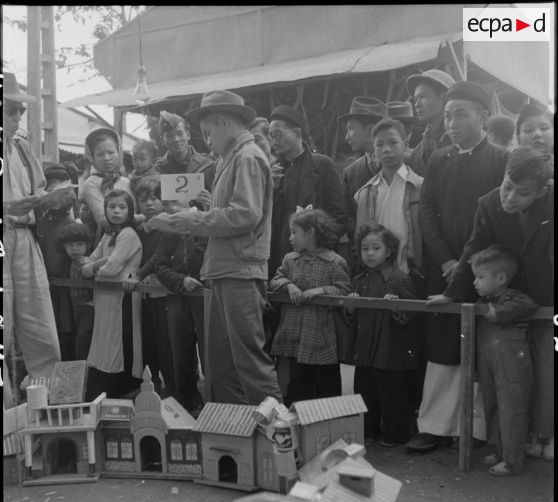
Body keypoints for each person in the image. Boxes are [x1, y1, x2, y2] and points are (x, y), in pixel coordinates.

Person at [431, 146, 554, 462]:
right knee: (517, 375)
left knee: (549, 367)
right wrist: (453, 292)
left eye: (523, 193)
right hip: (514, 299)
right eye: (507, 186)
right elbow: (475, 246)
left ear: (541, 192)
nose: (510, 197)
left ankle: (547, 435)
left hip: (551, 299)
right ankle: (521, 440)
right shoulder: (487, 204)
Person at [407, 81, 508, 453]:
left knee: (479, 344)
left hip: (484, 268)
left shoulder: (499, 159)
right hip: (443, 267)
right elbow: (427, 213)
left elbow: (493, 220)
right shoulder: (439, 158)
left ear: (482, 115)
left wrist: (465, 264)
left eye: (460, 115)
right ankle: (434, 426)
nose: (451, 123)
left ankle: (475, 430)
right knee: (441, 345)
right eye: (448, 116)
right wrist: (447, 259)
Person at [165, 90, 283, 405]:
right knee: (221, 363)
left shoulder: (247, 156)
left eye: (206, 133)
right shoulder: (231, 157)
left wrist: (196, 221)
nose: (206, 141)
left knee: (248, 362)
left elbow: (245, 214)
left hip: (240, 270)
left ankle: (280, 441)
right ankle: (238, 437)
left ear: (222, 122)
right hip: (223, 269)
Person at [3, 72, 61, 406]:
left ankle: (47, 402)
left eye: (19, 112)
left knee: (39, 321)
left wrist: (49, 198)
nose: (16, 117)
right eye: (10, 110)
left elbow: (40, 188)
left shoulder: (24, 148)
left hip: (24, 238)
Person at [268, 208, 351, 404]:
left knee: (326, 385)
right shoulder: (290, 260)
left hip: (320, 335)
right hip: (295, 334)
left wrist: (321, 290)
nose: (290, 238)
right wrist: (288, 285)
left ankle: (328, 425)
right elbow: (275, 280)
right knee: (297, 385)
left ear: (311, 233)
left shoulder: (334, 262)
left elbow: (344, 290)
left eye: (294, 232)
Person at [468, 246, 538, 476]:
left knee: (512, 408)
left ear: (500, 279)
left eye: (480, 277)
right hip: (489, 360)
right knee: (492, 404)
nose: (476, 282)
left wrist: (497, 313)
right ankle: (500, 451)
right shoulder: (482, 300)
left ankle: (513, 460)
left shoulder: (515, 298)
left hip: (512, 361)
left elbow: (529, 305)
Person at [348, 224, 418, 446]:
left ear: (388, 251)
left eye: (375, 248)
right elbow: (350, 319)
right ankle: (368, 432)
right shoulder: (360, 280)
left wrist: (397, 308)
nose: (369, 253)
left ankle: (395, 435)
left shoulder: (398, 279)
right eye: (365, 248)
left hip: (390, 347)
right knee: (364, 390)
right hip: (366, 348)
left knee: (391, 393)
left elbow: (412, 315)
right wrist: (349, 309)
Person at [268, 105, 347, 280]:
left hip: (316, 257)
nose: (273, 141)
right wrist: (270, 190)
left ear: (297, 133)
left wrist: (321, 248)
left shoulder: (322, 165)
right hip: (280, 257)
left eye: (278, 134)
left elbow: (338, 214)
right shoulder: (273, 171)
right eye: (271, 136)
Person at [516, 104, 554, 462]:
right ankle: (534, 430)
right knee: (531, 367)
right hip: (523, 291)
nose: (537, 134)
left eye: (544, 127)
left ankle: (549, 432)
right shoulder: (511, 182)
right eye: (529, 129)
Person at [82, 189, 143, 400]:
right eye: (111, 206)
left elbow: (113, 267)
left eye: (122, 207)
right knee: (103, 340)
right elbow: (90, 260)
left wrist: (93, 268)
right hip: (104, 296)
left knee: (119, 339)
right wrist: (94, 266)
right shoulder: (108, 234)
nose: (116, 211)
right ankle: (102, 386)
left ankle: (120, 387)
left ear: (130, 210)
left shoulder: (128, 234)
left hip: (121, 296)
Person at [154, 199, 207, 416]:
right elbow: (159, 265)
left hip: (204, 296)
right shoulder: (168, 234)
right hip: (177, 296)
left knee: (209, 351)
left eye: (178, 204)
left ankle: (214, 402)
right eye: (168, 207)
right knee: (180, 351)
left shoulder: (206, 229)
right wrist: (180, 280)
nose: (173, 210)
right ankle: (188, 403)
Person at [353, 117, 423, 276]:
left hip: (413, 271)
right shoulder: (365, 193)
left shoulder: (420, 187)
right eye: (379, 144)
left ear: (405, 145)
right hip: (377, 274)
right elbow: (361, 237)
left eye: (393, 142)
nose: (386, 149)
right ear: (374, 149)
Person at [123, 178, 174, 397]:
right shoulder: (140, 227)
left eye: (155, 198)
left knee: (167, 343)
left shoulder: (168, 224)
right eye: (144, 200)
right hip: (144, 292)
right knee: (149, 342)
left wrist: (138, 274)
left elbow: (157, 257)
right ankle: (152, 387)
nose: (150, 204)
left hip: (164, 291)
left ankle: (172, 388)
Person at [338, 97, 388, 272]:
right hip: (365, 262)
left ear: (370, 129)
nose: (347, 136)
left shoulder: (405, 163)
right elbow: (346, 215)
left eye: (351, 128)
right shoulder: (351, 172)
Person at [36, 164, 78, 361]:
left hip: (65, 292)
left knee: (66, 332)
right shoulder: (39, 224)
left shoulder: (72, 226)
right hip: (44, 288)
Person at [81, 128, 135, 235]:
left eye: (111, 152)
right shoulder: (91, 183)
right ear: (92, 157)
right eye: (100, 154)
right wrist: (142, 219)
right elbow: (104, 219)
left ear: (119, 152)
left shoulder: (127, 182)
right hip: (107, 239)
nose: (106, 158)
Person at [406, 69, 455, 176]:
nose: (417, 105)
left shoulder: (463, 143)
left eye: (423, 97)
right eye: (415, 99)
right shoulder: (417, 154)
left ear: (444, 98)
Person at [58, 222, 95, 361]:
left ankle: (85, 370)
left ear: (88, 246)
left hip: (89, 306)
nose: (75, 249)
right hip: (72, 307)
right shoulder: (65, 263)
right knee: (73, 337)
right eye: (70, 245)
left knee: (83, 338)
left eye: (79, 244)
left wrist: (90, 262)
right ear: (64, 247)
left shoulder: (88, 262)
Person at [154, 111, 216, 193]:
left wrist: (209, 202)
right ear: (162, 140)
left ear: (188, 135)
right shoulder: (158, 169)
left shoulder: (207, 164)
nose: (176, 139)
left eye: (180, 134)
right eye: (169, 136)